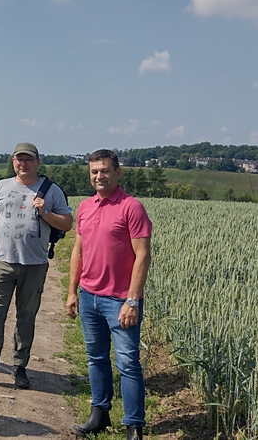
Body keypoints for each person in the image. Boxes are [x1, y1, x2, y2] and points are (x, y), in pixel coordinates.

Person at [0, 143, 72, 388]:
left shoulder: (50, 190)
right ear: (13, 162)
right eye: (19, 159)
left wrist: (46, 213)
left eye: (28, 159)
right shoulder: (0, 187)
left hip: (35, 264)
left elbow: (67, 223)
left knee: (26, 316)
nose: (23, 164)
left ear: (38, 162)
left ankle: (20, 367)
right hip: (2, 261)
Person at [66, 149, 152, 440]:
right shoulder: (86, 207)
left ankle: (134, 426)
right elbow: (78, 250)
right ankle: (99, 413)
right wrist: (72, 292)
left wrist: (132, 300)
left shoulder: (132, 207)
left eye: (104, 170)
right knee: (96, 358)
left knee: (128, 363)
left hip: (120, 300)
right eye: (94, 172)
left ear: (117, 172)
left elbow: (142, 256)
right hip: (89, 296)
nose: (99, 176)